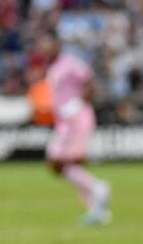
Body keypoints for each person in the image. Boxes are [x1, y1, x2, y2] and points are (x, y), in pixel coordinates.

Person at [42, 36, 112, 226]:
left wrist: (78, 103)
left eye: (47, 43)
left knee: (56, 161)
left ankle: (98, 187)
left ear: (56, 45)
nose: (44, 48)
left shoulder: (70, 63)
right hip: (64, 121)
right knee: (71, 166)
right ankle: (97, 212)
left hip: (75, 119)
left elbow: (90, 81)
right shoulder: (53, 67)